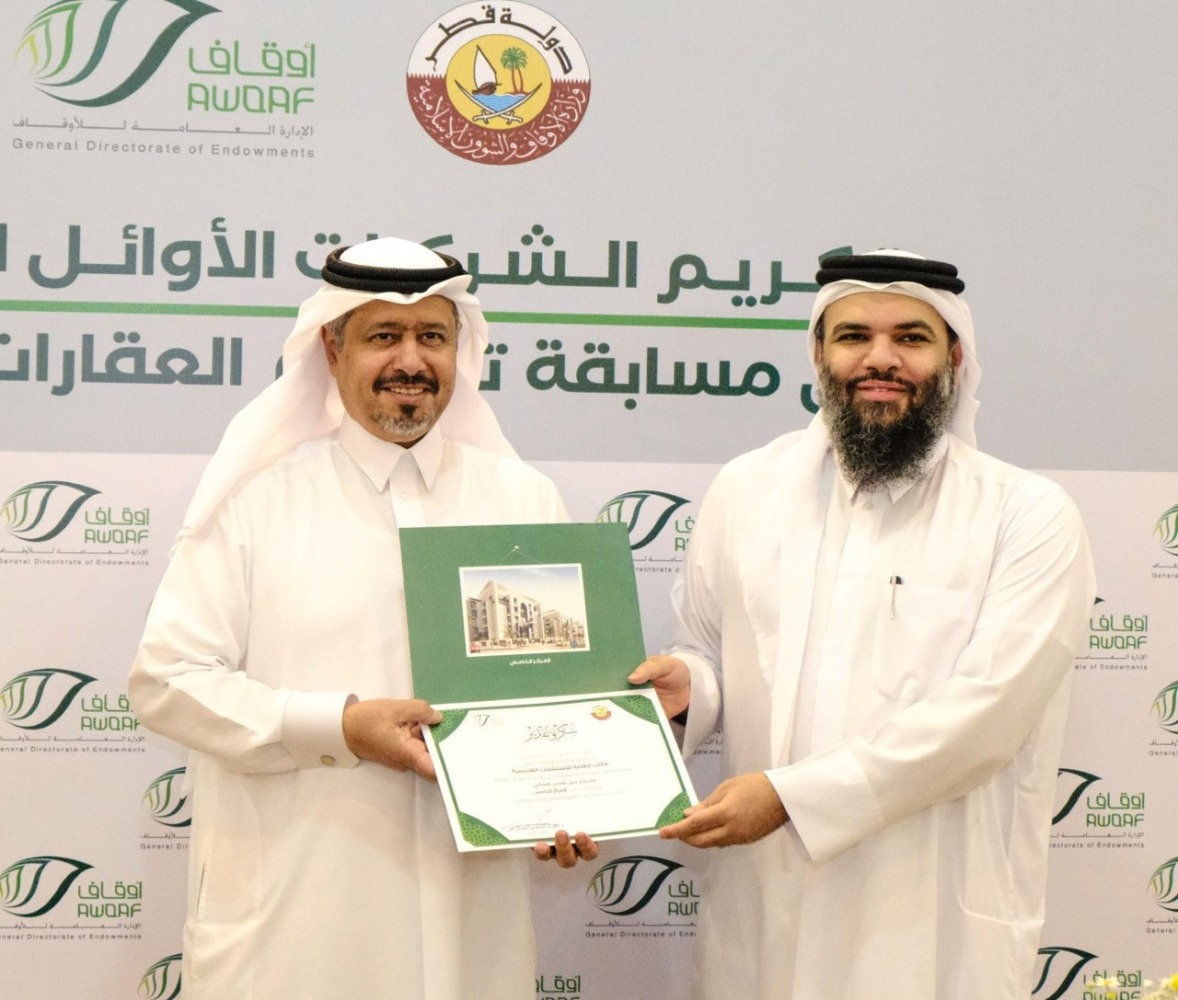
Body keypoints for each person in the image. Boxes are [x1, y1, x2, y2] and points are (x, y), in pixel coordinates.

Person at [129, 237, 594, 1000]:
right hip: (297, 920)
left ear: (459, 352)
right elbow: (167, 681)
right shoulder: (255, 502)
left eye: (432, 337)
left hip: (468, 914)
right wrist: (338, 727)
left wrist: (566, 798)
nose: (410, 360)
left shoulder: (523, 502)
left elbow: (553, 697)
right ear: (331, 346)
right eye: (384, 336)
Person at [629, 249, 1096, 999]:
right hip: (765, 905)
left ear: (954, 356)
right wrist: (690, 688)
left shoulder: (1026, 513)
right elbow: (709, 649)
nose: (880, 359)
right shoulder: (747, 489)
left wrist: (788, 799)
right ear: (819, 352)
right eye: (853, 336)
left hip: (923, 917)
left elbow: (987, 718)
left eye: (911, 337)